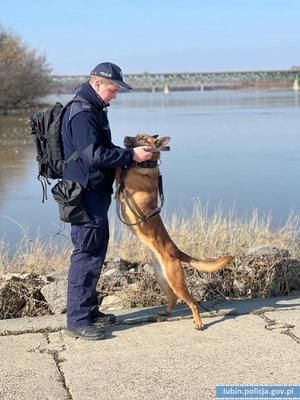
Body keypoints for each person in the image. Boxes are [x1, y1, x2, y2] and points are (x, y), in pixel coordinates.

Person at [62, 62, 152, 340]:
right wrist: (131, 157)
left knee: (96, 251)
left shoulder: (95, 110)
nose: (115, 94)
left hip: (95, 193)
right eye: (113, 88)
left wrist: (128, 151)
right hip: (84, 195)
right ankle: (77, 321)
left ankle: (88, 310)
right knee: (86, 254)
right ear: (97, 83)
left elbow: (102, 149)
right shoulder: (82, 113)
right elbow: (93, 156)